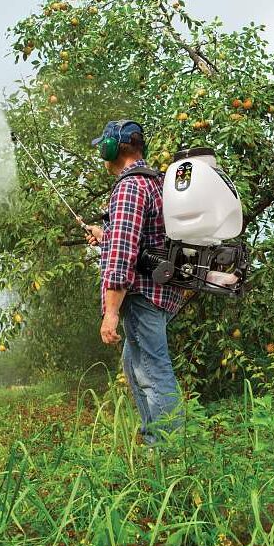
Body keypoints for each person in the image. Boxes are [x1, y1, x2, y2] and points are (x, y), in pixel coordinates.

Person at [85, 120, 184, 445]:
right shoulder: (154, 182)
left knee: (153, 373)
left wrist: (111, 312)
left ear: (110, 149)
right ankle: (151, 434)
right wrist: (106, 237)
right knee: (133, 364)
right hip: (161, 292)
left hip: (142, 295)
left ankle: (167, 451)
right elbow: (139, 239)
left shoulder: (129, 187)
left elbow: (123, 254)